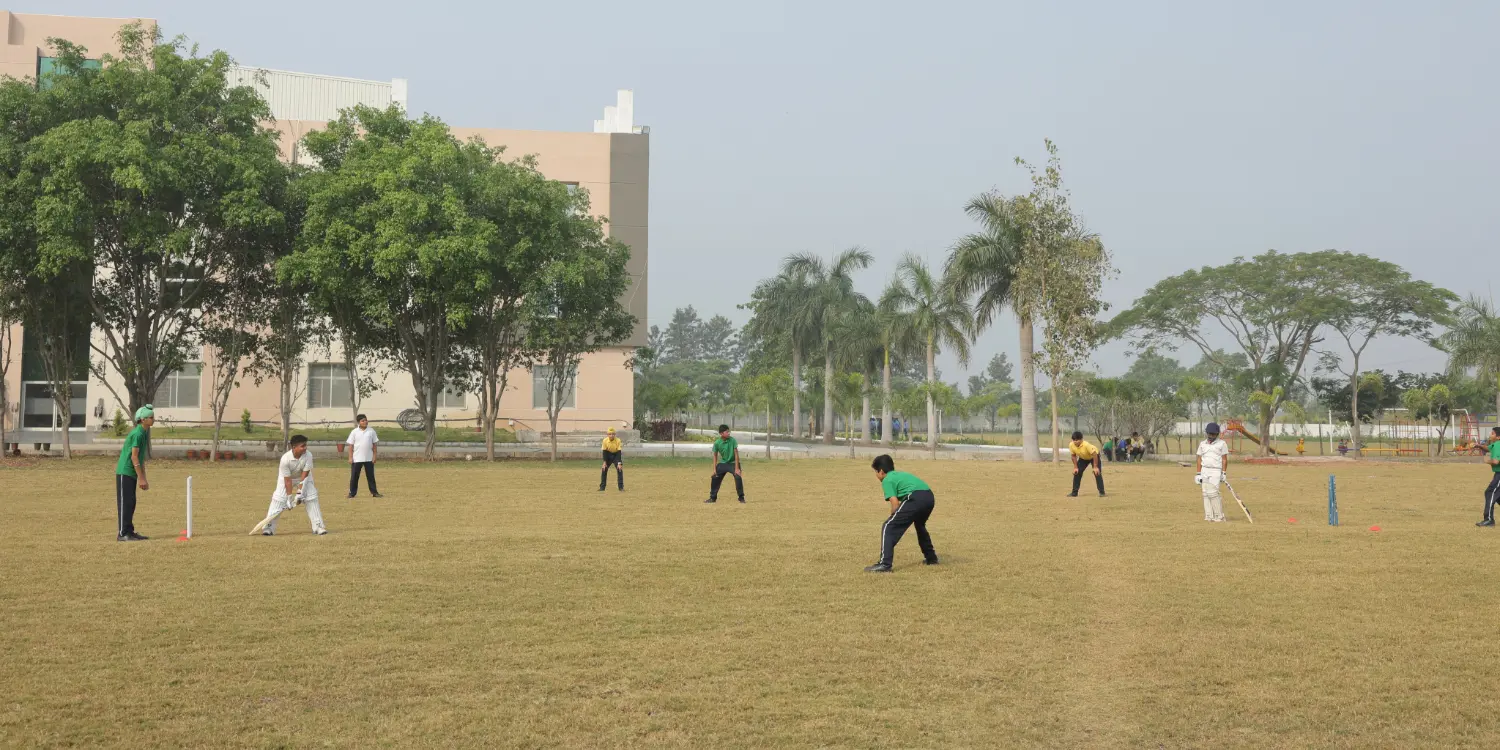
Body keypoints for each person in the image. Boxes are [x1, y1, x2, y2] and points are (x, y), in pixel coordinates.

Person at [865, 454, 939, 572]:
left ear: (881, 471)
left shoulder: (887, 480)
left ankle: (885, 564)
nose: (876, 475)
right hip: (929, 497)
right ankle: (931, 558)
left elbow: (894, 502)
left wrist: (893, 518)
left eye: (875, 472)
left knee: (888, 526)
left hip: (916, 497)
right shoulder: (899, 474)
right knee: (920, 525)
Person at [261, 435, 327, 536]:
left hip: (304, 478)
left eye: (306, 445)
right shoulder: (285, 459)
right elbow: (288, 481)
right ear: (294, 447)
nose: (305, 448)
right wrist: (289, 498)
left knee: (311, 497)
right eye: (302, 446)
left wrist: (299, 493)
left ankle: (318, 526)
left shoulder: (308, 455)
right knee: (279, 499)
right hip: (287, 479)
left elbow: (304, 476)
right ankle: (268, 527)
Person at [114, 404, 154, 541]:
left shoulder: (143, 433)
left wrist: (144, 478)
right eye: (151, 417)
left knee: (131, 502)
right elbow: (134, 456)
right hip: (125, 471)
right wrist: (141, 478)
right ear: (142, 419)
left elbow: (141, 458)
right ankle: (122, 533)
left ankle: (129, 532)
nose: (153, 419)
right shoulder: (137, 433)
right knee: (125, 502)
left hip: (132, 472)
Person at [1196, 422, 1230, 522]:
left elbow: (1224, 459)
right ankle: (1209, 516)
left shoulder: (1222, 444)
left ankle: (1219, 516)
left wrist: (1223, 472)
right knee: (1205, 493)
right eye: (1210, 434)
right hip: (1204, 470)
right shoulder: (1202, 444)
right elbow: (1199, 459)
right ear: (1207, 433)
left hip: (1216, 470)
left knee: (1213, 493)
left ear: (1217, 434)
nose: (1211, 436)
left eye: (1213, 434)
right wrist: (1198, 474)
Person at [345, 414, 382, 498]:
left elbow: (374, 445)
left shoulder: (371, 431)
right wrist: (350, 457)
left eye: (366, 420)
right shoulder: (354, 432)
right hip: (357, 458)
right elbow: (350, 446)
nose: (365, 422)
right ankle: (352, 493)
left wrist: (374, 456)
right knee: (354, 476)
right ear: (359, 422)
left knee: (371, 476)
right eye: (363, 421)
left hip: (369, 458)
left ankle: (374, 492)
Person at [705, 424, 744, 503]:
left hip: (733, 463)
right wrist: (714, 469)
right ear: (721, 433)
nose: (729, 433)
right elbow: (715, 456)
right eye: (727, 432)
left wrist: (737, 468)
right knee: (715, 477)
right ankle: (712, 498)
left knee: (738, 477)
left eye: (728, 431)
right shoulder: (717, 443)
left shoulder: (732, 440)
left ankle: (741, 497)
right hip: (723, 463)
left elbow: (736, 454)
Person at [1067, 431, 1106, 497]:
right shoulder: (1071, 445)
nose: (1075, 442)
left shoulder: (1086, 445)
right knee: (1077, 472)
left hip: (1093, 457)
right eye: (1074, 440)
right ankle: (1074, 493)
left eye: (1077, 440)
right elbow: (1073, 456)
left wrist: (1095, 467)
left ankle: (1102, 492)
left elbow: (1094, 454)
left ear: (1081, 439)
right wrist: (1075, 467)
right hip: (1083, 458)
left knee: (1097, 472)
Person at [1476, 426, 1500, 527]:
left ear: (1498, 437)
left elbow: (1496, 461)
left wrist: (1487, 461)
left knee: (1489, 492)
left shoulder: (1498, 445)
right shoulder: (1495, 445)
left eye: (1492, 433)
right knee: (1498, 496)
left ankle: (1489, 520)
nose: (1490, 435)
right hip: (1498, 474)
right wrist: (1479, 446)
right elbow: (1488, 448)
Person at [600, 427, 624, 492]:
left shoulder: (618, 440)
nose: (611, 435)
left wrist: (619, 463)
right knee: (604, 469)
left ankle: (621, 487)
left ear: (615, 434)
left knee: (620, 469)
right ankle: (602, 488)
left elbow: (619, 452)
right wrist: (604, 462)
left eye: (613, 434)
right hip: (608, 455)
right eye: (610, 434)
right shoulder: (605, 440)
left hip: (616, 455)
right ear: (607, 434)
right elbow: (604, 452)